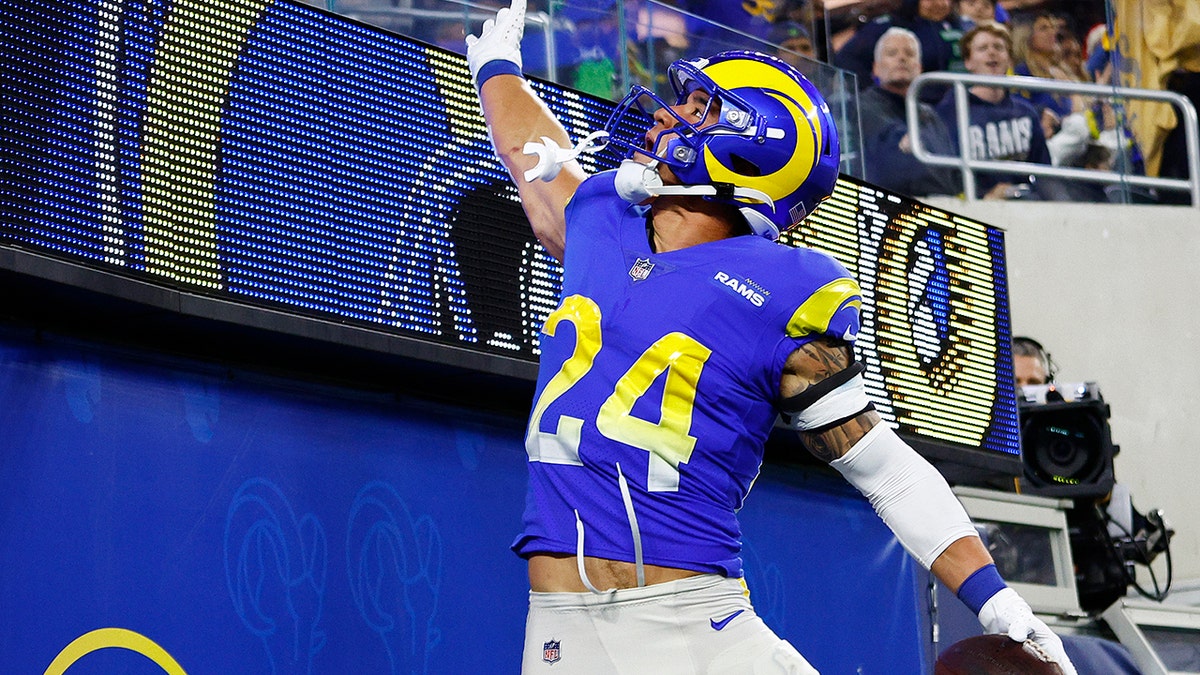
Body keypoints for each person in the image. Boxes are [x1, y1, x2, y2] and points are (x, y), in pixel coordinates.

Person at [466, 2, 1078, 672]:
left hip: (692, 627)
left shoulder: (787, 287)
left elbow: (884, 468)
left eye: (699, 106)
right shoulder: (601, 219)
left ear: (754, 144)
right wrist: (499, 69)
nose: (667, 116)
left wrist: (1000, 605)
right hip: (559, 636)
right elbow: (530, 157)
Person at [935, 23, 1052, 199]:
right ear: (968, 62)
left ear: (1009, 60)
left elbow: (1044, 172)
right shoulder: (949, 112)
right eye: (983, 48)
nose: (992, 52)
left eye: (998, 47)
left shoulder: (1026, 112)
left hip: (1025, 204)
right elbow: (944, 175)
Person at [859, 27, 962, 196]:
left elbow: (951, 169)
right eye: (892, 53)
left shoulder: (931, 115)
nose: (902, 58)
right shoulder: (862, 105)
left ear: (919, 67)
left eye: (909, 53)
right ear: (876, 68)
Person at [834, 0, 967, 101]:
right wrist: (875, 92)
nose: (939, 3)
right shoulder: (887, 24)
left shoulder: (958, 29)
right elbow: (846, 58)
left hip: (947, 107)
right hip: (899, 107)